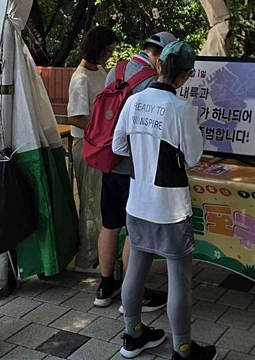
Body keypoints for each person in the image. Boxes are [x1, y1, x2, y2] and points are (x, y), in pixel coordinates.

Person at [113, 40, 215, 360]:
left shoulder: (134, 101)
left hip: (137, 201)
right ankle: (182, 350)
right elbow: (193, 158)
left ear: (159, 66)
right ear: (186, 75)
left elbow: (118, 146)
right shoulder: (181, 109)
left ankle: (133, 335)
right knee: (179, 279)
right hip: (170, 208)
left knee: (136, 268)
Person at [93, 32, 176, 311]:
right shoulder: (152, 82)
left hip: (109, 160)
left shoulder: (116, 70)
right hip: (135, 167)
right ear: (161, 57)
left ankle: (105, 286)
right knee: (134, 230)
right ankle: (133, 293)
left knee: (109, 224)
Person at [67, 25, 118, 274]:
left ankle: (98, 253)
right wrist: (102, 131)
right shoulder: (81, 78)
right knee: (89, 202)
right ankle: (86, 259)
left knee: (98, 201)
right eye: (108, 50)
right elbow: (75, 117)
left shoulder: (99, 71)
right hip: (87, 145)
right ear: (98, 48)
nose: (110, 55)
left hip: (99, 145)